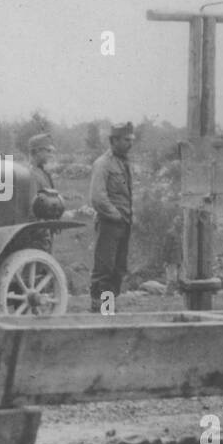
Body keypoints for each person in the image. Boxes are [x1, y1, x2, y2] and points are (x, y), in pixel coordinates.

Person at [89, 122, 134, 312]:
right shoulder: (103, 164)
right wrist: (116, 215)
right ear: (114, 141)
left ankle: (109, 308)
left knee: (118, 269)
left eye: (131, 139)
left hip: (124, 224)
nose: (130, 143)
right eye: (126, 140)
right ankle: (102, 309)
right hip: (110, 223)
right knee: (105, 269)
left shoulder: (124, 163)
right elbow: (97, 197)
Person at [26, 132, 62, 251]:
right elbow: (32, 208)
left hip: (46, 230)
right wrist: (41, 230)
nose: (50, 154)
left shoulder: (43, 173)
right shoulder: (31, 175)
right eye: (47, 151)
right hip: (38, 235)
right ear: (36, 152)